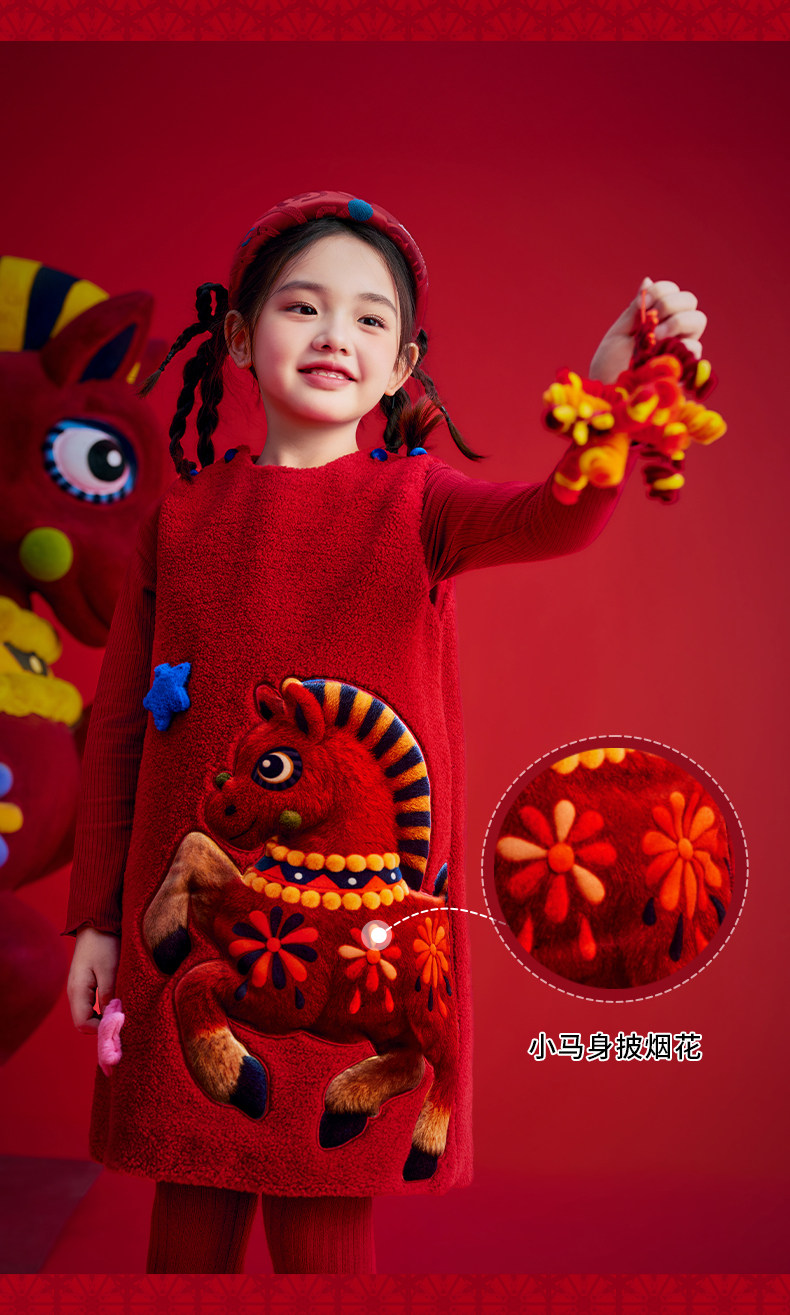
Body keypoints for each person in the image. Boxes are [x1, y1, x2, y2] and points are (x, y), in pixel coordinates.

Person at [64, 191, 707, 1275]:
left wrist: (606, 396)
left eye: (369, 319)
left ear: (402, 364)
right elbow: (120, 729)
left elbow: (558, 515)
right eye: (302, 307)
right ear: (238, 338)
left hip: (364, 942)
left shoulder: (419, 504)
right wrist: (93, 921)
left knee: (325, 1214)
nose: (334, 335)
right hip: (197, 923)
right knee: (190, 1201)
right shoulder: (179, 520)